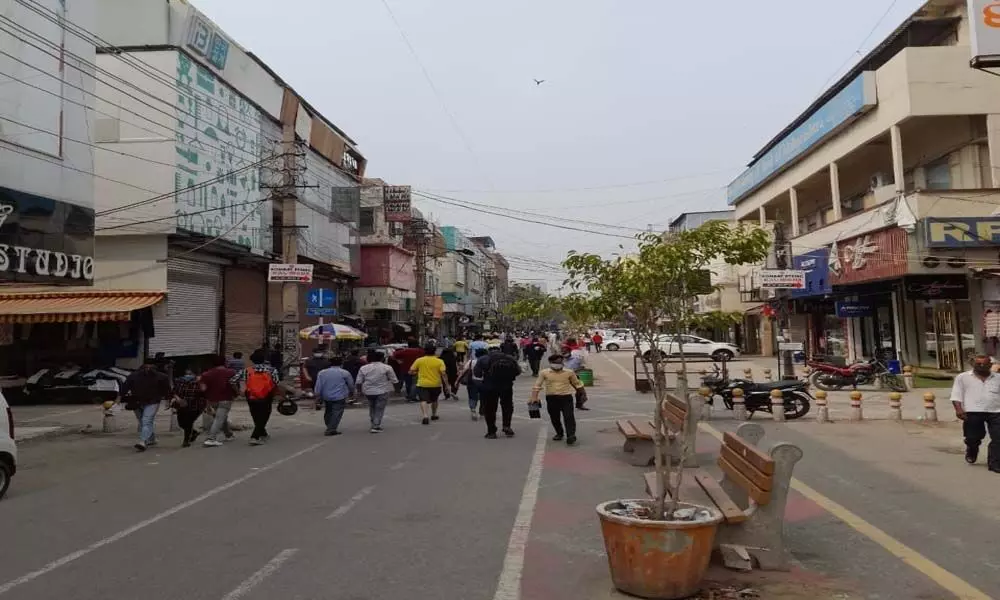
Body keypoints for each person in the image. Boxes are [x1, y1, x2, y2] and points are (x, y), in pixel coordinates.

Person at [950, 355, 1000, 473]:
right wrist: (958, 409)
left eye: (984, 364)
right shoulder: (963, 377)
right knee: (973, 437)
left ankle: (995, 463)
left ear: (990, 365)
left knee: (999, 438)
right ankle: (972, 450)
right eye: (979, 364)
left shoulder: (998, 378)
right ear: (973, 365)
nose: (981, 366)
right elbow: (956, 394)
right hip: (973, 411)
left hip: (996, 411)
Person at [231, 348, 281, 445]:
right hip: (267, 395)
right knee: (265, 414)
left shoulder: (246, 371)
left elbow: (232, 380)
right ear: (264, 360)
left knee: (255, 414)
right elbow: (276, 383)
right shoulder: (271, 370)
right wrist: (278, 394)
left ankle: (263, 433)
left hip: (251, 395)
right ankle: (255, 436)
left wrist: (239, 392)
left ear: (252, 360)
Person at [531, 354, 585, 445]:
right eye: (555, 363)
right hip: (551, 398)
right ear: (550, 363)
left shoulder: (569, 372)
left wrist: (583, 394)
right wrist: (534, 397)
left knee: (569, 417)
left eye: (560, 362)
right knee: (554, 417)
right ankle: (559, 433)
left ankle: (571, 435)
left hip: (566, 397)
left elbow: (577, 384)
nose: (558, 364)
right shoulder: (544, 373)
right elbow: (537, 385)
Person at [122, 359, 172, 452]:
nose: (148, 369)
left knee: (146, 420)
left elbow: (167, 390)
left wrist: (168, 400)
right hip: (137, 402)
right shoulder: (134, 376)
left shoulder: (161, 377)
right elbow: (125, 387)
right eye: (147, 366)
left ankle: (142, 441)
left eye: (150, 367)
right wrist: (119, 398)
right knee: (143, 421)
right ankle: (151, 439)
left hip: (152, 402)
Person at [474, 347, 522, 438]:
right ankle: (506, 426)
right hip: (506, 386)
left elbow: (477, 374)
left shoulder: (483, 359)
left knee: (490, 409)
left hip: (489, 387)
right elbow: (518, 371)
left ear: (489, 351)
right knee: (507, 406)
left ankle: (491, 431)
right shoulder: (509, 358)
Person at [356, 350, 398, 433]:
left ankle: (373, 422)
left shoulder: (364, 368)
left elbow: (359, 382)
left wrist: (359, 391)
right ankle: (375, 426)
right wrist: (397, 390)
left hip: (368, 391)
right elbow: (394, 380)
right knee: (379, 408)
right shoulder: (387, 367)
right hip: (382, 391)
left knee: (372, 407)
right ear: (382, 358)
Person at [200, 354, 236, 447]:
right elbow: (234, 384)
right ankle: (211, 438)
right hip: (226, 398)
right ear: (224, 362)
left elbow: (203, 389)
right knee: (219, 418)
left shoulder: (206, 374)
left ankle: (228, 434)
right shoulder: (231, 372)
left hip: (212, 399)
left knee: (221, 417)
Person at [314, 356, 355, 436]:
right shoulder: (344, 372)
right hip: (339, 396)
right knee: (337, 412)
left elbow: (318, 385)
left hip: (326, 396)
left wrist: (317, 395)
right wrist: (352, 392)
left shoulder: (322, 372)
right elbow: (351, 384)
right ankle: (331, 429)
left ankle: (330, 426)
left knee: (328, 411)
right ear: (341, 363)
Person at [410, 344, 450, 425]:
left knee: (423, 400)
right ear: (434, 351)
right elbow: (443, 374)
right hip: (436, 384)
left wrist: (418, 372)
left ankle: (425, 416)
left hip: (422, 384)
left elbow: (411, 371)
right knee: (434, 400)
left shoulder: (419, 360)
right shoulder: (439, 361)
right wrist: (446, 385)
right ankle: (434, 414)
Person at [171, 367, 207, 448]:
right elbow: (174, 392)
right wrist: (178, 399)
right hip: (182, 404)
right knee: (181, 423)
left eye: (190, 373)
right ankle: (193, 433)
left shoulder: (200, 381)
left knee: (188, 422)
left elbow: (204, 392)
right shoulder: (179, 381)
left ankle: (186, 441)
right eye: (187, 373)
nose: (188, 376)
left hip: (196, 404)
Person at [456, 347, 487, 421]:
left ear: (476, 354)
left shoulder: (471, 362)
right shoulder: (488, 361)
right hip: (485, 382)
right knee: (484, 397)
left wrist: (457, 381)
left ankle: (473, 410)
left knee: (472, 396)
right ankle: (482, 412)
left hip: (473, 382)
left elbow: (464, 372)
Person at [393, 339, 425, 403]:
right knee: (416, 383)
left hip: (405, 369)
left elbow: (394, 354)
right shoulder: (421, 351)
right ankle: (412, 396)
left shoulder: (404, 351)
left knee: (408, 384)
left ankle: (409, 395)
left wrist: (398, 360)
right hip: (417, 370)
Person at [303, 345, 332, 410]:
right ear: (313, 353)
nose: (318, 353)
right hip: (313, 378)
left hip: (324, 379)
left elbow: (330, 369)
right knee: (316, 391)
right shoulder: (309, 360)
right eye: (317, 352)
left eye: (320, 352)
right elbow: (304, 368)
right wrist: (307, 376)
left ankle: (319, 402)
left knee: (323, 391)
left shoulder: (326, 360)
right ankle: (318, 401)